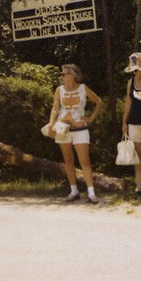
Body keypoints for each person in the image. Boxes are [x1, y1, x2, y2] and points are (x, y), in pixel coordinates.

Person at [47, 64, 103, 204]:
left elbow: (99, 102)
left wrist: (90, 118)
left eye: (64, 74)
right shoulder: (59, 90)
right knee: (68, 161)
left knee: (85, 161)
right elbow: (55, 108)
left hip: (80, 128)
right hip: (62, 128)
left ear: (73, 75)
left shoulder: (83, 88)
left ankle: (91, 193)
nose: (61, 76)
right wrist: (51, 124)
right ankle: (74, 191)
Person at [121, 52, 141, 197]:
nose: (136, 72)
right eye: (133, 69)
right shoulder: (131, 82)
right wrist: (124, 121)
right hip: (134, 121)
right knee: (138, 155)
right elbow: (128, 102)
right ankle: (140, 186)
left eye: (137, 68)